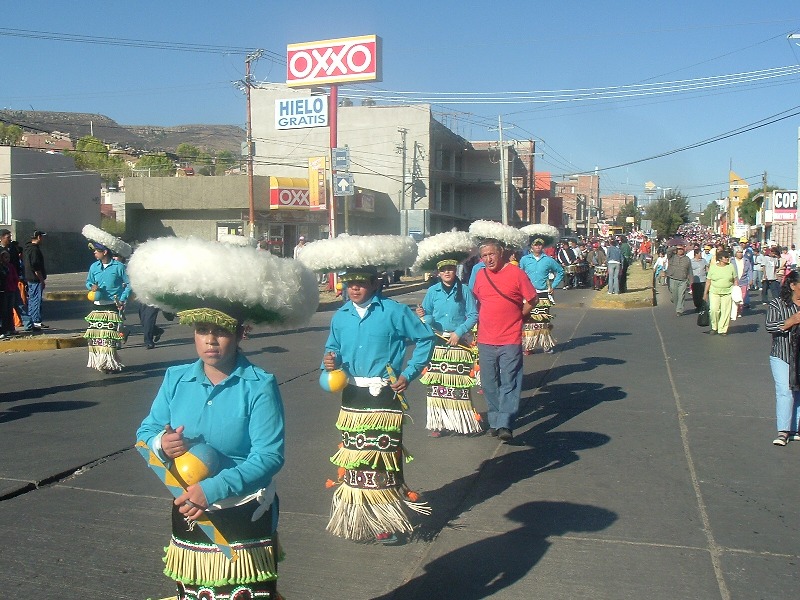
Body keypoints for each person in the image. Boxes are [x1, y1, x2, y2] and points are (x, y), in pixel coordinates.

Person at [132, 236, 318, 600]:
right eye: (202, 330)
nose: (210, 341)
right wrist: (161, 443)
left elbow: (268, 456)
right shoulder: (175, 379)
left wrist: (211, 490)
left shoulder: (259, 385)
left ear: (240, 332)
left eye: (220, 331)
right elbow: (146, 432)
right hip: (188, 508)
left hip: (242, 511)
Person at [298, 234, 435, 543]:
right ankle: (359, 517)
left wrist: (409, 373)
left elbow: (425, 338)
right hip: (352, 397)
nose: (354, 288)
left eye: (361, 283)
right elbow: (332, 349)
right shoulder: (341, 316)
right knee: (355, 456)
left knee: (381, 456)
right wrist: (329, 363)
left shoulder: (394, 311)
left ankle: (386, 520)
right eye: (350, 283)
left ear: (375, 283)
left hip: (384, 394)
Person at [413, 231, 481, 436]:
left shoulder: (465, 290)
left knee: (458, 385)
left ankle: (461, 423)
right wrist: (424, 316)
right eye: (443, 270)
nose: (447, 272)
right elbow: (428, 316)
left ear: (455, 269)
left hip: (458, 343)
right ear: (438, 272)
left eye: (450, 269)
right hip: (437, 343)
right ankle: (437, 424)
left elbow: (473, 315)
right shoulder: (432, 291)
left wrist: (459, 333)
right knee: (436, 384)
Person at [471, 238, 538, 442]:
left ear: (500, 253)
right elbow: (475, 302)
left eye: (492, 254)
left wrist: (519, 316)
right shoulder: (480, 275)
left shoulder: (516, 273)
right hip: (485, 339)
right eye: (484, 256)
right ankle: (494, 420)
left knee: (510, 381)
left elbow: (533, 299)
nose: (488, 259)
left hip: (510, 338)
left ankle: (504, 423)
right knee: (489, 383)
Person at [82, 225, 132, 373]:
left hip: (112, 305)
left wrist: (123, 299)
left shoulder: (119, 267)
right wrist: (91, 287)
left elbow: (129, 284)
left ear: (104, 252)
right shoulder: (94, 267)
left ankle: (110, 362)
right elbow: (88, 282)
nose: (94, 253)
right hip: (97, 305)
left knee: (109, 337)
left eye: (97, 251)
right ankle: (101, 361)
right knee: (97, 336)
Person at [765, 270, 800, 446]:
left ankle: (795, 429)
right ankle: (783, 431)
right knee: (785, 390)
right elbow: (769, 326)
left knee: (798, 391)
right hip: (782, 354)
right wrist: (790, 321)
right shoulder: (778, 304)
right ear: (793, 285)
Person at [518, 232, 563, 354]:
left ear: (542, 246)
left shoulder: (548, 260)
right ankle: (529, 345)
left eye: (540, 245)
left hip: (543, 294)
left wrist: (553, 286)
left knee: (543, 320)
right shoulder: (524, 260)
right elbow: (519, 275)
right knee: (528, 320)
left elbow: (560, 271)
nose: (537, 247)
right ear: (531, 246)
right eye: (535, 245)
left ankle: (545, 344)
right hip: (528, 293)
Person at [703, 249, 738, 335]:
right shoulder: (713, 267)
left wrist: (736, 290)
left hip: (727, 292)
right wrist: (705, 293)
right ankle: (714, 327)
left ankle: (722, 329)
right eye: (725, 257)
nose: (727, 258)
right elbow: (708, 281)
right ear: (720, 258)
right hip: (714, 292)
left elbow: (735, 279)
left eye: (728, 257)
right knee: (714, 310)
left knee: (725, 311)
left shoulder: (731, 266)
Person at [22, 230, 47, 331]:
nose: (43, 239)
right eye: (42, 237)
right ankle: (36, 321)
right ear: (38, 237)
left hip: (29, 278)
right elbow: (36, 266)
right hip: (35, 279)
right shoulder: (34, 250)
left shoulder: (27, 248)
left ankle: (32, 320)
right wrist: (41, 280)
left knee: (32, 300)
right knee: (36, 301)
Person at [665, 244, 692, 316]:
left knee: (681, 295)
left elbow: (690, 271)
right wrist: (676, 247)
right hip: (673, 278)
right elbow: (668, 251)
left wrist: (691, 282)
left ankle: (679, 310)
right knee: (674, 295)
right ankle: (676, 303)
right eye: (679, 249)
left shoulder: (687, 259)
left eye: (681, 249)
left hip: (683, 280)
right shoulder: (672, 257)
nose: (680, 251)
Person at [732, 247, 753, 311]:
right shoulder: (731, 260)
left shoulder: (746, 260)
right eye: (738, 252)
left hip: (743, 281)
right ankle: (734, 311)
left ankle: (739, 311)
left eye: (741, 252)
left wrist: (751, 279)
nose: (740, 254)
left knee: (742, 298)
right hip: (733, 282)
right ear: (735, 253)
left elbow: (750, 270)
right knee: (734, 298)